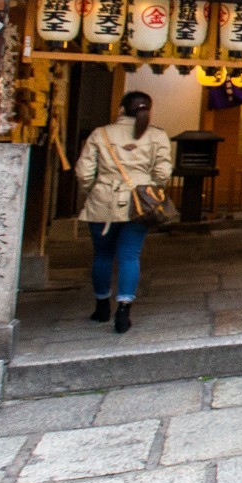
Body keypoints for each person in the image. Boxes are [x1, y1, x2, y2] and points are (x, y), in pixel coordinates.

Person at [74, 90, 173, 334]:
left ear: (121, 109)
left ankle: (101, 306)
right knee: (130, 255)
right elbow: (163, 173)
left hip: (103, 200)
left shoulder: (101, 133)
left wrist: (94, 191)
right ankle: (123, 309)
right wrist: (149, 189)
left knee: (102, 255)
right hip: (139, 202)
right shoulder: (157, 135)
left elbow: (84, 172)